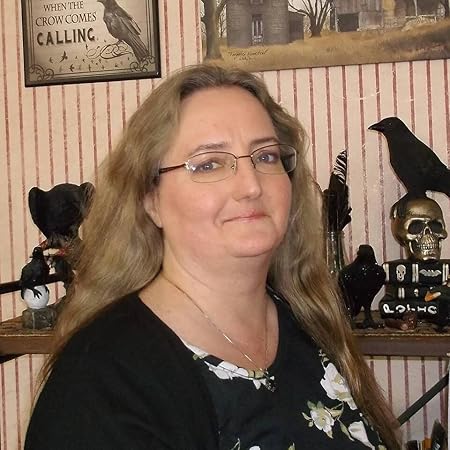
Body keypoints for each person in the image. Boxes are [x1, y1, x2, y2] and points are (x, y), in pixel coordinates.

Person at [25, 64, 401, 449]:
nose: (251, 185)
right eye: (208, 163)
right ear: (150, 200)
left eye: (266, 157)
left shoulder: (310, 322)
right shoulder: (99, 384)